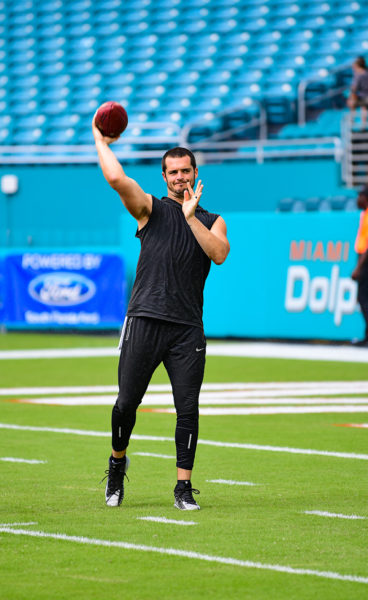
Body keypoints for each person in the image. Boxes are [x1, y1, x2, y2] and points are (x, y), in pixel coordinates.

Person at [92, 116, 230, 510]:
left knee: (187, 409)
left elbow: (218, 254)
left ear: (196, 173)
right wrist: (99, 139)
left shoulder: (211, 219)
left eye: (186, 171)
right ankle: (117, 464)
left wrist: (191, 218)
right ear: (164, 176)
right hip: (145, 320)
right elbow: (118, 181)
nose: (180, 177)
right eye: (173, 172)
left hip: (187, 329)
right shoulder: (150, 210)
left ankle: (183, 489)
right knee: (126, 404)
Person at [351, 185, 368, 346]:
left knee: (363, 298)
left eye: (360, 196)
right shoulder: (364, 215)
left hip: (366, 262)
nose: (357, 199)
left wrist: (359, 267)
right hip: (363, 259)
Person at [347, 56, 368, 129]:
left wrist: (351, 98)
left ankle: (353, 121)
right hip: (364, 97)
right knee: (364, 106)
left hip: (364, 98)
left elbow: (354, 89)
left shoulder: (359, 75)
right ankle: (363, 125)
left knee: (353, 102)